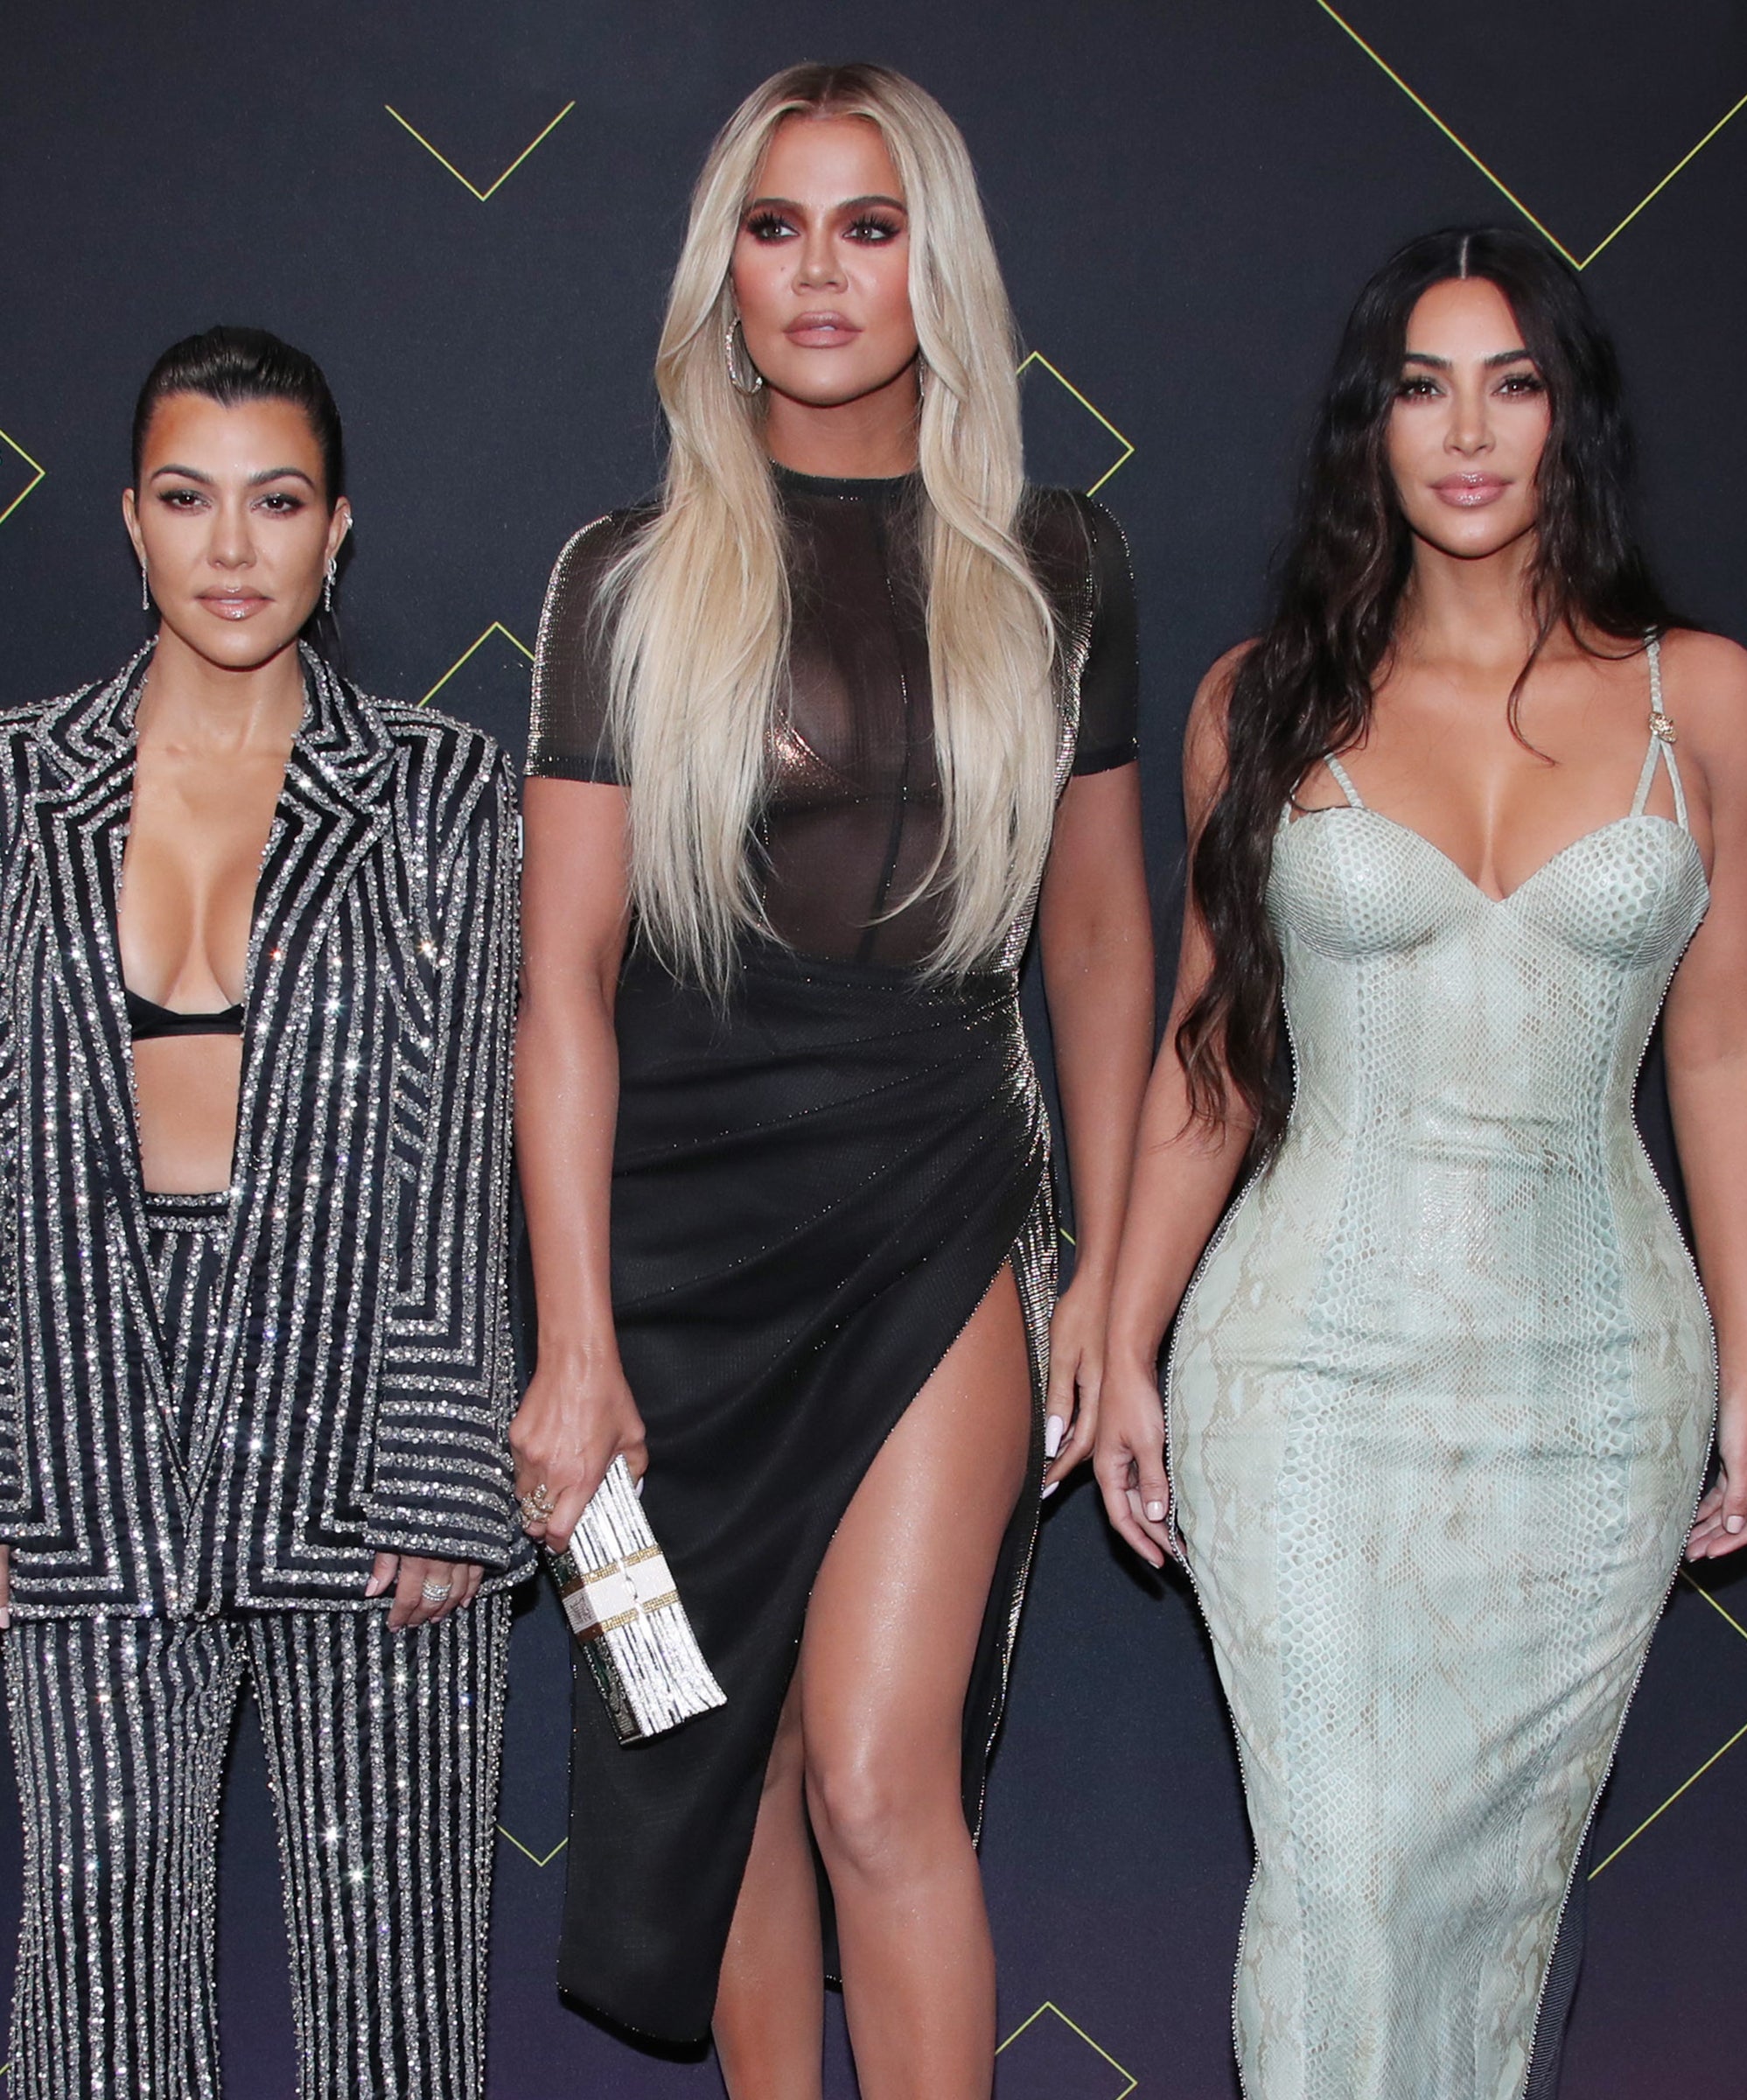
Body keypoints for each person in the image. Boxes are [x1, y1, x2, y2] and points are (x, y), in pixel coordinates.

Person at [514, 60, 1153, 2099]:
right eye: (774, 228)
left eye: (867, 228)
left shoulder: (1057, 565)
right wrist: (574, 1343)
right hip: (668, 1250)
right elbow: (562, 985)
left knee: (879, 1767)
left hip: (933, 1196)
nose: (816, 274)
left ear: (931, 267)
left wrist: (1113, 1280)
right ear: (723, 272)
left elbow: (1100, 943)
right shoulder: (625, 577)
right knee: (717, 1755)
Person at [1095, 226, 1747, 2100]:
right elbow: (1214, 1058)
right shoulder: (1263, 703)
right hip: (1302, 1373)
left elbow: (1715, 1051)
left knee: (1493, 1895)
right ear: (1366, 428)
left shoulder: (1699, 696)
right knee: (1344, 1883)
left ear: (1569, 417)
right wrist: (1122, 1336)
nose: (1466, 433)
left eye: (1511, 384)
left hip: (1595, 1387)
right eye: (1420, 387)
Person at [0, 327, 525, 2100]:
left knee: (397, 1997)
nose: (232, 547)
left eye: (277, 501)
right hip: (79, 1431)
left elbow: (462, 1141)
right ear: (128, 523)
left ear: (338, 528)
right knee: (94, 1988)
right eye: (188, 498)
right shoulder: (13, 785)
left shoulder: (440, 790)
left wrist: (444, 1456)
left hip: (364, 1432)